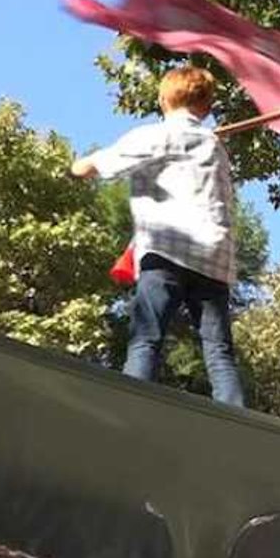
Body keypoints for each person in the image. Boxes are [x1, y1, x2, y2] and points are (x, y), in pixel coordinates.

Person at [70, 66, 244, 407]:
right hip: (214, 260)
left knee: (145, 338)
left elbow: (97, 166)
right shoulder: (217, 148)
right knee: (219, 350)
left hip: (167, 250)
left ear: (163, 99)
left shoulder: (155, 135)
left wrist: (76, 167)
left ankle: (131, 409)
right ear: (207, 107)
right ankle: (235, 417)